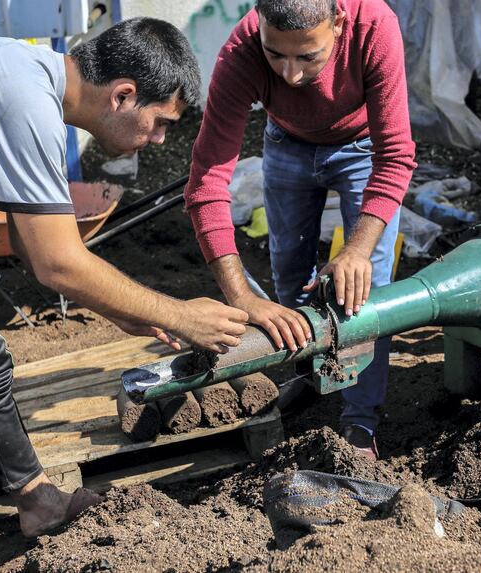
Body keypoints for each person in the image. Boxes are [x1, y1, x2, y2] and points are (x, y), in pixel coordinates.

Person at [0, 18, 249, 536]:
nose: (160, 138)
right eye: (162, 121)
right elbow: (57, 261)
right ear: (123, 95)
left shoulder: (30, 87)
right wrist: (179, 315)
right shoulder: (20, 95)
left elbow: (28, 246)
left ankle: (37, 503)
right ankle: (40, 504)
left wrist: (124, 313)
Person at [185, 0, 416, 459]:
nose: (289, 75)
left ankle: (359, 419)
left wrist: (355, 250)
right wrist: (242, 298)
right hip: (286, 143)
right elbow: (207, 181)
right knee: (289, 276)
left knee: (365, 293)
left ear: (339, 24)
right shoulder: (243, 47)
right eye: (276, 55)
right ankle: (307, 376)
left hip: (361, 147)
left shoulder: (375, 26)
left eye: (308, 57)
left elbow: (395, 157)